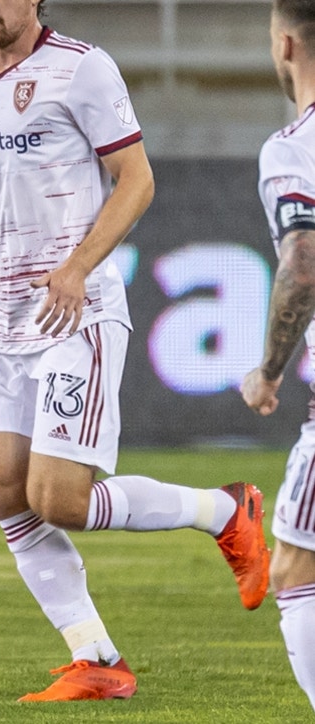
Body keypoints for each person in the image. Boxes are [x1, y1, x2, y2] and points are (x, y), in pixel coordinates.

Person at [0, 0, 270, 703]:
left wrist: (78, 266)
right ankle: (96, 657)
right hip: (2, 322)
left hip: (74, 312)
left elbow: (136, 179)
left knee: (60, 499)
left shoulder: (82, 69)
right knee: (1, 490)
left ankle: (225, 512)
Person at [240, 0, 315, 712]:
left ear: (285, 44)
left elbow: (302, 257)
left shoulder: (294, 148)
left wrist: (268, 369)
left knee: (294, 569)